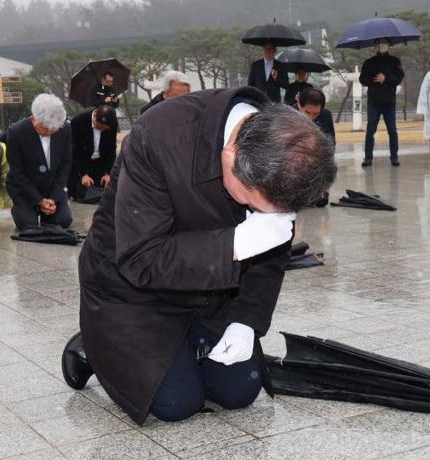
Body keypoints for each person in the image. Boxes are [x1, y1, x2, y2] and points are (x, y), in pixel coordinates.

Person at [63, 87, 336, 425]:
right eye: (252, 200)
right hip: (131, 287)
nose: (257, 211)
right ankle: (94, 346)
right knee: (177, 403)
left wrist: (246, 321)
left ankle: (183, 344)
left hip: (209, 286)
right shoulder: (157, 136)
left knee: (240, 392)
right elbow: (141, 257)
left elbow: (269, 253)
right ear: (231, 153)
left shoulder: (280, 145)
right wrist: (235, 244)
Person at [6, 94, 72, 230]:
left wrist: (54, 198)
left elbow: (65, 164)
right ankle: (21, 207)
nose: (50, 133)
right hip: (25, 189)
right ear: (34, 119)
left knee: (63, 221)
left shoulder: (64, 129)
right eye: (46, 128)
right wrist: (39, 200)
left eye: (54, 129)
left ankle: (49, 208)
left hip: (52, 186)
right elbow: (17, 173)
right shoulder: (16, 133)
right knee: (28, 224)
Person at [360, 38, 404, 167]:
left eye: (385, 43)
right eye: (380, 43)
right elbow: (363, 79)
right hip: (374, 101)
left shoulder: (395, 62)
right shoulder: (369, 62)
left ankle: (394, 156)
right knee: (370, 130)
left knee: (392, 130)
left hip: (389, 102)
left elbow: (399, 78)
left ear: (389, 45)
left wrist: (386, 78)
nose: (382, 45)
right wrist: (374, 80)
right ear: (376, 45)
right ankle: (368, 157)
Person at [69, 105, 118, 202]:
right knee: (80, 193)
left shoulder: (112, 123)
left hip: (99, 162)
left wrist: (108, 173)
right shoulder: (78, 122)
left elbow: (112, 149)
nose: (103, 130)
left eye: (105, 129)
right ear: (94, 117)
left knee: (108, 192)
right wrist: (83, 174)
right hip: (81, 161)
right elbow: (74, 151)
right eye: (100, 127)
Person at [296, 88, 334, 207]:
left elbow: (330, 146)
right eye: (307, 112)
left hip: (316, 161)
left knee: (321, 201)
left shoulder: (326, 115)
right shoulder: (287, 115)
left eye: (316, 113)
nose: (311, 118)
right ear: (299, 105)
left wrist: (325, 186)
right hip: (293, 162)